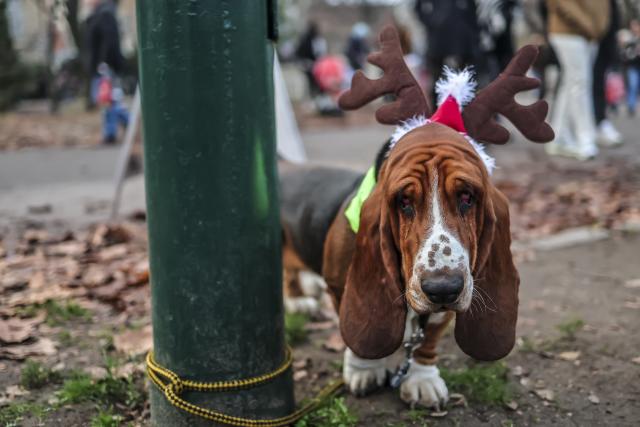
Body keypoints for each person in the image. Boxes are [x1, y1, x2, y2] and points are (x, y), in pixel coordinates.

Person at [545, 0, 610, 161]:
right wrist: (588, 25)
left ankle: (558, 136)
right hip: (567, 31)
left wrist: (599, 27)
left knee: (571, 83)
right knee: (580, 83)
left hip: (592, 34)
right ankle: (585, 139)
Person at [414, 0, 482, 104]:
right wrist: (432, 21)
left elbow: (473, 10)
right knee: (436, 79)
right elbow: (418, 8)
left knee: (464, 79)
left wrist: (470, 30)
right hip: (437, 39)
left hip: (462, 39)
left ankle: (465, 110)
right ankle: (436, 111)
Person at [84, 0, 128, 143]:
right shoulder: (99, 15)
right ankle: (128, 123)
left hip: (104, 67)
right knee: (109, 101)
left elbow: (110, 41)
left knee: (108, 100)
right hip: (100, 67)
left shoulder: (105, 14)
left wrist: (104, 63)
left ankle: (111, 133)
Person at [592, 0, 623, 146]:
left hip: (604, 34)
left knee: (598, 82)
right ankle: (591, 125)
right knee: (579, 83)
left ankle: (599, 121)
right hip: (587, 32)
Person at [623, 19, 640, 116]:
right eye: (632, 26)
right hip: (632, 66)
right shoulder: (629, 39)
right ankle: (631, 107)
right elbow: (626, 53)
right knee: (633, 86)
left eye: (636, 26)